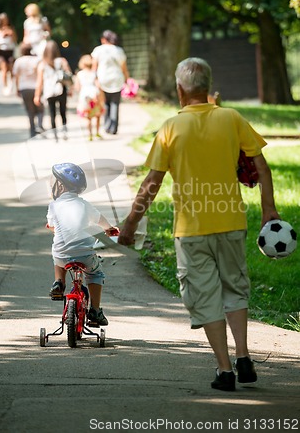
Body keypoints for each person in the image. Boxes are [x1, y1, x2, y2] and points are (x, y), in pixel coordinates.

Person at [118, 57, 280, 392]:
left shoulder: (171, 128)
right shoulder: (232, 118)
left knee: (204, 297)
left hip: (191, 230)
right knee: (234, 288)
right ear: (207, 87)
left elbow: (152, 182)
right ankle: (244, 356)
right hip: (231, 222)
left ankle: (225, 370)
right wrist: (268, 211)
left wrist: (131, 223)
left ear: (180, 90)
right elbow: (261, 167)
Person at [47, 162, 119, 326]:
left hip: (62, 254)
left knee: (58, 256)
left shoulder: (54, 206)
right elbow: (100, 220)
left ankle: (59, 283)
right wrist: (109, 229)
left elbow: (52, 226)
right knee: (95, 274)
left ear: (60, 186)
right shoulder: (85, 205)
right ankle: (95, 310)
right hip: (85, 255)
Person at [91, 30, 129, 135]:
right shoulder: (119, 50)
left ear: (103, 39)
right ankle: (113, 128)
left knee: (105, 103)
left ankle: (107, 126)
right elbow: (124, 68)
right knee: (115, 103)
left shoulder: (98, 50)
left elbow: (94, 67)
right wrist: (127, 80)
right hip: (117, 79)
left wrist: (94, 80)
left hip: (102, 79)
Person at [33, 40, 72, 141]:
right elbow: (69, 76)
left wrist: (37, 95)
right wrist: (70, 89)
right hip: (61, 89)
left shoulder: (42, 64)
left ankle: (55, 135)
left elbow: (39, 82)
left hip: (49, 91)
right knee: (63, 112)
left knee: (52, 113)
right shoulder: (62, 61)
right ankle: (64, 131)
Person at [12, 43, 44, 138]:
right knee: (40, 109)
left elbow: (16, 76)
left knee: (29, 110)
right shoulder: (37, 60)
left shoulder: (19, 61)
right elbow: (41, 75)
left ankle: (32, 130)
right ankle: (40, 125)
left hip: (24, 87)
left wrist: (17, 88)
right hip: (36, 87)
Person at [75, 54, 104, 141]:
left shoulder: (79, 74)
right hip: (94, 94)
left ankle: (90, 134)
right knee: (97, 114)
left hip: (84, 95)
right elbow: (98, 85)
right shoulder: (94, 73)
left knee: (88, 116)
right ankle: (97, 132)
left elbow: (77, 87)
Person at [0, 12, 17, 96]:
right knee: (4, 68)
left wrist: (10, 33)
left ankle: (11, 84)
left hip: (10, 50)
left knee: (11, 68)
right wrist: (1, 34)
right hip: (1, 50)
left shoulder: (11, 28)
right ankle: (5, 86)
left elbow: (15, 39)